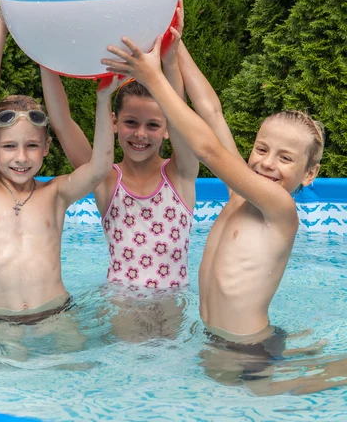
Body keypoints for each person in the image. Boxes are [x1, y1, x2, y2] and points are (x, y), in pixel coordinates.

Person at [101, 33, 325, 358]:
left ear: (309, 174)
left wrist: (153, 77)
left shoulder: (280, 208)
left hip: (246, 348)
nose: (267, 162)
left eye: (285, 158)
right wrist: (173, 47)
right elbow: (212, 111)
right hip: (218, 340)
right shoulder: (239, 195)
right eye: (262, 149)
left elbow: (208, 149)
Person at [0, 8, 120, 325]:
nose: (21, 157)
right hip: (0, 321)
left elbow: (100, 167)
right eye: (9, 146)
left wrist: (104, 100)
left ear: (46, 148)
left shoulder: (55, 195)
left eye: (32, 145)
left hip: (58, 316)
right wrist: (1, 27)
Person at [41, 0, 199, 293]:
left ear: (167, 129)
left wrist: (170, 59)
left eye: (153, 125)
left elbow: (180, 111)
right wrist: (45, 56)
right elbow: (62, 123)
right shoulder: (104, 178)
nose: (141, 134)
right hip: (119, 310)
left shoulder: (181, 173)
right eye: (131, 122)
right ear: (114, 122)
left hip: (172, 315)